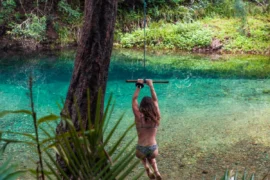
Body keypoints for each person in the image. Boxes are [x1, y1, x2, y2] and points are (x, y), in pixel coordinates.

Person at [132, 79, 162, 179]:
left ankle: (147, 168)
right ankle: (157, 172)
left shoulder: (138, 116)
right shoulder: (156, 116)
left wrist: (139, 85)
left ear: (142, 106)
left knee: (143, 158)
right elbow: (155, 100)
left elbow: (134, 99)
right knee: (151, 158)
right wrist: (151, 85)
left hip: (140, 149)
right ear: (152, 106)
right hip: (153, 148)